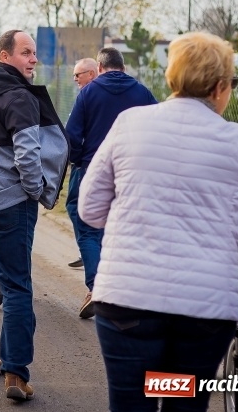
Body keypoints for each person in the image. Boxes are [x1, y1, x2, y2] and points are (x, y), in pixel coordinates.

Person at [79, 31, 238, 412]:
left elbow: (89, 209)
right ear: (219, 87)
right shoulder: (237, 141)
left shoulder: (128, 124)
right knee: (182, 399)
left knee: (130, 403)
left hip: (126, 307)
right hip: (199, 318)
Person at [0, 29, 69, 402]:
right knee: (17, 286)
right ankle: (16, 372)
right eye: (26, 52)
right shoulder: (20, 97)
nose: (33, 59)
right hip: (8, 204)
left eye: (34, 53)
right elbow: (27, 154)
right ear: (5, 56)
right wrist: (35, 191)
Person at [66, 47, 157, 319]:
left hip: (93, 169)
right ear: (124, 68)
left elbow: (72, 136)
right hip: (129, 173)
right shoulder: (142, 93)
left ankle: (97, 288)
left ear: (99, 67)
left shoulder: (88, 93)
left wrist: (79, 161)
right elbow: (156, 131)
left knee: (87, 228)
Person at [65, 57, 98, 269]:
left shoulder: (89, 96)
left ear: (91, 74)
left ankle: (89, 249)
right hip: (90, 162)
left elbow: (73, 134)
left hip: (85, 163)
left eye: (78, 74)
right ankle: (88, 248)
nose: (75, 78)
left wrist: (75, 158)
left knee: (75, 205)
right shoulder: (90, 95)